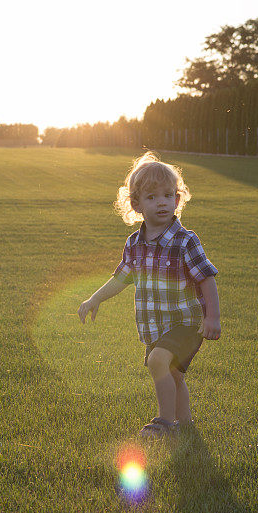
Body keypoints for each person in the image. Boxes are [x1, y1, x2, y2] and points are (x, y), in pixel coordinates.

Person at [78, 151, 220, 438]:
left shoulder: (185, 240)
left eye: (168, 195)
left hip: (185, 322)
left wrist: (213, 318)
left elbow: (206, 278)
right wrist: (94, 299)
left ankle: (164, 423)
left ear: (177, 200)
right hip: (155, 326)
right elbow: (120, 279)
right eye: (152, 197)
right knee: (174, 375)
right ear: (137, 204)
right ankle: (185, 426)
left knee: (158, 361)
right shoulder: (135, 244)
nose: (162, 202)